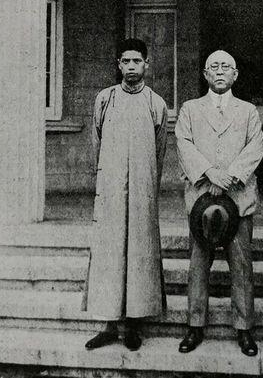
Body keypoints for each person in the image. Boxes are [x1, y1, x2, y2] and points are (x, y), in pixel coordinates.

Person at [175, 50, 263, 356]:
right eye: (214, 67)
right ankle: (195, 325)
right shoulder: (190, 109)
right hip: (202, 198)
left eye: (226, 66)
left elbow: (255, 146)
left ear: (235, 75)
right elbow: (184, 144)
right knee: (198, 264)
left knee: (241, 265)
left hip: (238, 198)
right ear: (205, 74)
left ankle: (244, 328)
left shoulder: (248, 111)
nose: (220, 71)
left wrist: (230, 177)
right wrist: (210, 173)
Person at [85, 38, 168, 351]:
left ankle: (134, 324)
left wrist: (146, 185)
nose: (131, 67)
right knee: (110, 253)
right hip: (110, 191)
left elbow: (159, 152)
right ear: (118, 65)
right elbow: (96, 143)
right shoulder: (105, 99)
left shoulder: (156, 104)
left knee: (139, 252)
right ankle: (108, 325)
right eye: (125, 61)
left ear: (146, 64)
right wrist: (106, 182)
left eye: (137, 61)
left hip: (142, 192)